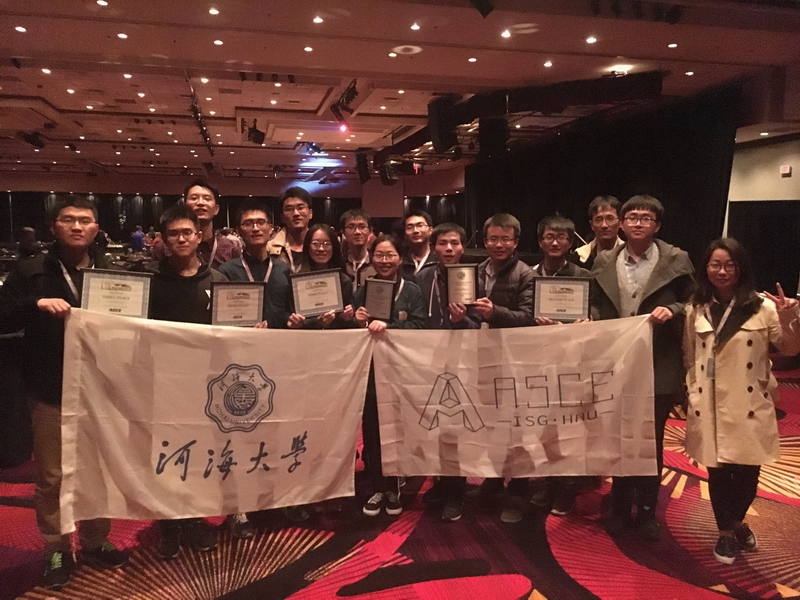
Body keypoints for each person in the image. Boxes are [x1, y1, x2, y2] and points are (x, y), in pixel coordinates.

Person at [0, 196, 128, 589]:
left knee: (98, 470)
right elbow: (2, 314)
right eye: (68, 219)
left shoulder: (112, 274)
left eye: (85, 220)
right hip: (49, 386)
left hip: (100, 389)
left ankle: (95, 539)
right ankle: (56, 545)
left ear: (96, 229)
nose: (77, 226)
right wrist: (35, 304)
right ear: (54, 227)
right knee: (52, 475)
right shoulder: (31, 270)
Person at [683, 238, 800, 564]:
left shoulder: (763, 306)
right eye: (715, 265)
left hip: (749, 400)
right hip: (710, 401)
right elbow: (690, 354)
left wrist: (790, 314)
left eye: (729, 265)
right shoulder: (696, 307)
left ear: (740, 268)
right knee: (718, 471)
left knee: (748, 471)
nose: (722, 271)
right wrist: (692, 389)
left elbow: (790, 347)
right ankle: (726, 532)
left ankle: (736, 521)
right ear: (706, 268)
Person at [590, 194, 694, 541]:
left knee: (651, 438)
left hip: (658, 361)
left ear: (657, 226)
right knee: (620, 437)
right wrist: (589, 317)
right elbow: (595, 302)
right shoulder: (605, 260)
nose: (637, 223)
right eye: (631, 217)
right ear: (621, 223)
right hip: (617, 362)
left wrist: (674, 310)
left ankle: (648, 508)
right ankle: (620, 506)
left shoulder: (676, 259)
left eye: (645, 218)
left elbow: (694, 300)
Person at [147, 204, 228, 558]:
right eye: (173, 234)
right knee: (163, 453)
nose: (181, 239)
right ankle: (168, 522)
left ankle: (194, 518)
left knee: (198, 453)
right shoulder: (148, 280)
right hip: (161, 382)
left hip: (206, 384)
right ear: (163, 240)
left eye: (187, 233)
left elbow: (231, 331)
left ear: (199, 236)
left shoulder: (218, 280)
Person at [353, 234, 426, 517]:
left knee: (397, 428)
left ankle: (394, 487)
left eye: (390, 255)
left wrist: (390, 327)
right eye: (379, 255)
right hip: (370, 371)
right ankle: (376, 488)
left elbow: (420, 327)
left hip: (400, 371)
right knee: (372, 428)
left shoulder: (412, 291)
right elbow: (354, 333)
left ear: (400, 258)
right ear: (371, 258)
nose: (384, 261)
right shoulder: (363, 291)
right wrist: (357, 321)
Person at [470, 213, 535, 524]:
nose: (499, 244)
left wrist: (494, 312)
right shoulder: (475, 271)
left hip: (516, 360)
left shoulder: (526, 274)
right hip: (483, 358)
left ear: (515, 242)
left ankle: (519, 491)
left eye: (505, 239)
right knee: (492, 425)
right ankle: (494, 481)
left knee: (518, 427)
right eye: (493, 238)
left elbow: (529, 317)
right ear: (485, 241)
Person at [528, 215, 595, 517]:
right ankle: (550, 481)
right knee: (544, 426)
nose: (555, 243)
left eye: (562, 238)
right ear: (540, 241)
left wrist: (590, 318)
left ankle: (568, 485)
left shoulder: (584, 276)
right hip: (539, 363)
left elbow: (596, 309)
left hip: (573, 363)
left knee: (572, 426)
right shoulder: (530, 275)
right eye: (549, 237)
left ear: (570, 242)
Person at [415, 223, 481, 521]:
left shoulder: (473, 278)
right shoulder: (422, 278)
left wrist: (461, 320)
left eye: (454, 243)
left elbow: (479, 325)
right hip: (429, 361)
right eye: (443, 243)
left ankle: (456, 491)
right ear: (434, 247)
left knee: (455, 428)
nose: (449, 249)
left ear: (463, 247)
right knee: (434, 428)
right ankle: (441, 483)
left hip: (461, 363)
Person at [218, 199, 292, 331]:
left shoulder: (283, 269)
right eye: (248, 223)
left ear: (270, 228)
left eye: (261, 222)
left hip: (280, 340)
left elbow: (289, 311)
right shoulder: (226, 272)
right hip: (241, 340)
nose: (256, 228)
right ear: (238, 231)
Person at [151, 179, 241, 269]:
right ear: (185, 205)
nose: (200, 203)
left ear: (216, 209)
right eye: (194, 198)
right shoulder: (164, 246)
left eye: (207, 198)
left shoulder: (230, 249)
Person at [287, 223, 355, 330]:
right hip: (306, 338)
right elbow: (292, 319)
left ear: (334, 247)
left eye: (327, 244)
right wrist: (312, 322)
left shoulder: (344, 281)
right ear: (307, 246)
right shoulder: (297, 282)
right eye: (315, 243)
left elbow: (349, 324)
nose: (321, 249)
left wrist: (346, 316)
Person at [268, 186, 313, 274]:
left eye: (300, 208)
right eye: (289, 209)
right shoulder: (269, 249)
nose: (296, 213)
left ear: (310, 213)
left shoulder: (321, 247)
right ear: (282, 217)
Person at [575, 196, 624, 270]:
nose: (604, 225)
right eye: (598, 220)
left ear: (620, 222)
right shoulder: (579, 256)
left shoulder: (629, 255)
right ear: (591, 225)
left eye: (610, 218)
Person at [340, 208, 376, 290]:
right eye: (351, 227)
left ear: (370, 231)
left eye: (362, 227)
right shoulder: (338, 263)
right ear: (343, 232)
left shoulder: (377, 263)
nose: (357, 232)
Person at [400, 210, 437, 281]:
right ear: (405, 234)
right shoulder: (400, 260)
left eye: (420, 225)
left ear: (431, 230)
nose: (415, 231)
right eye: (410, 227)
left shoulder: (439, 259)